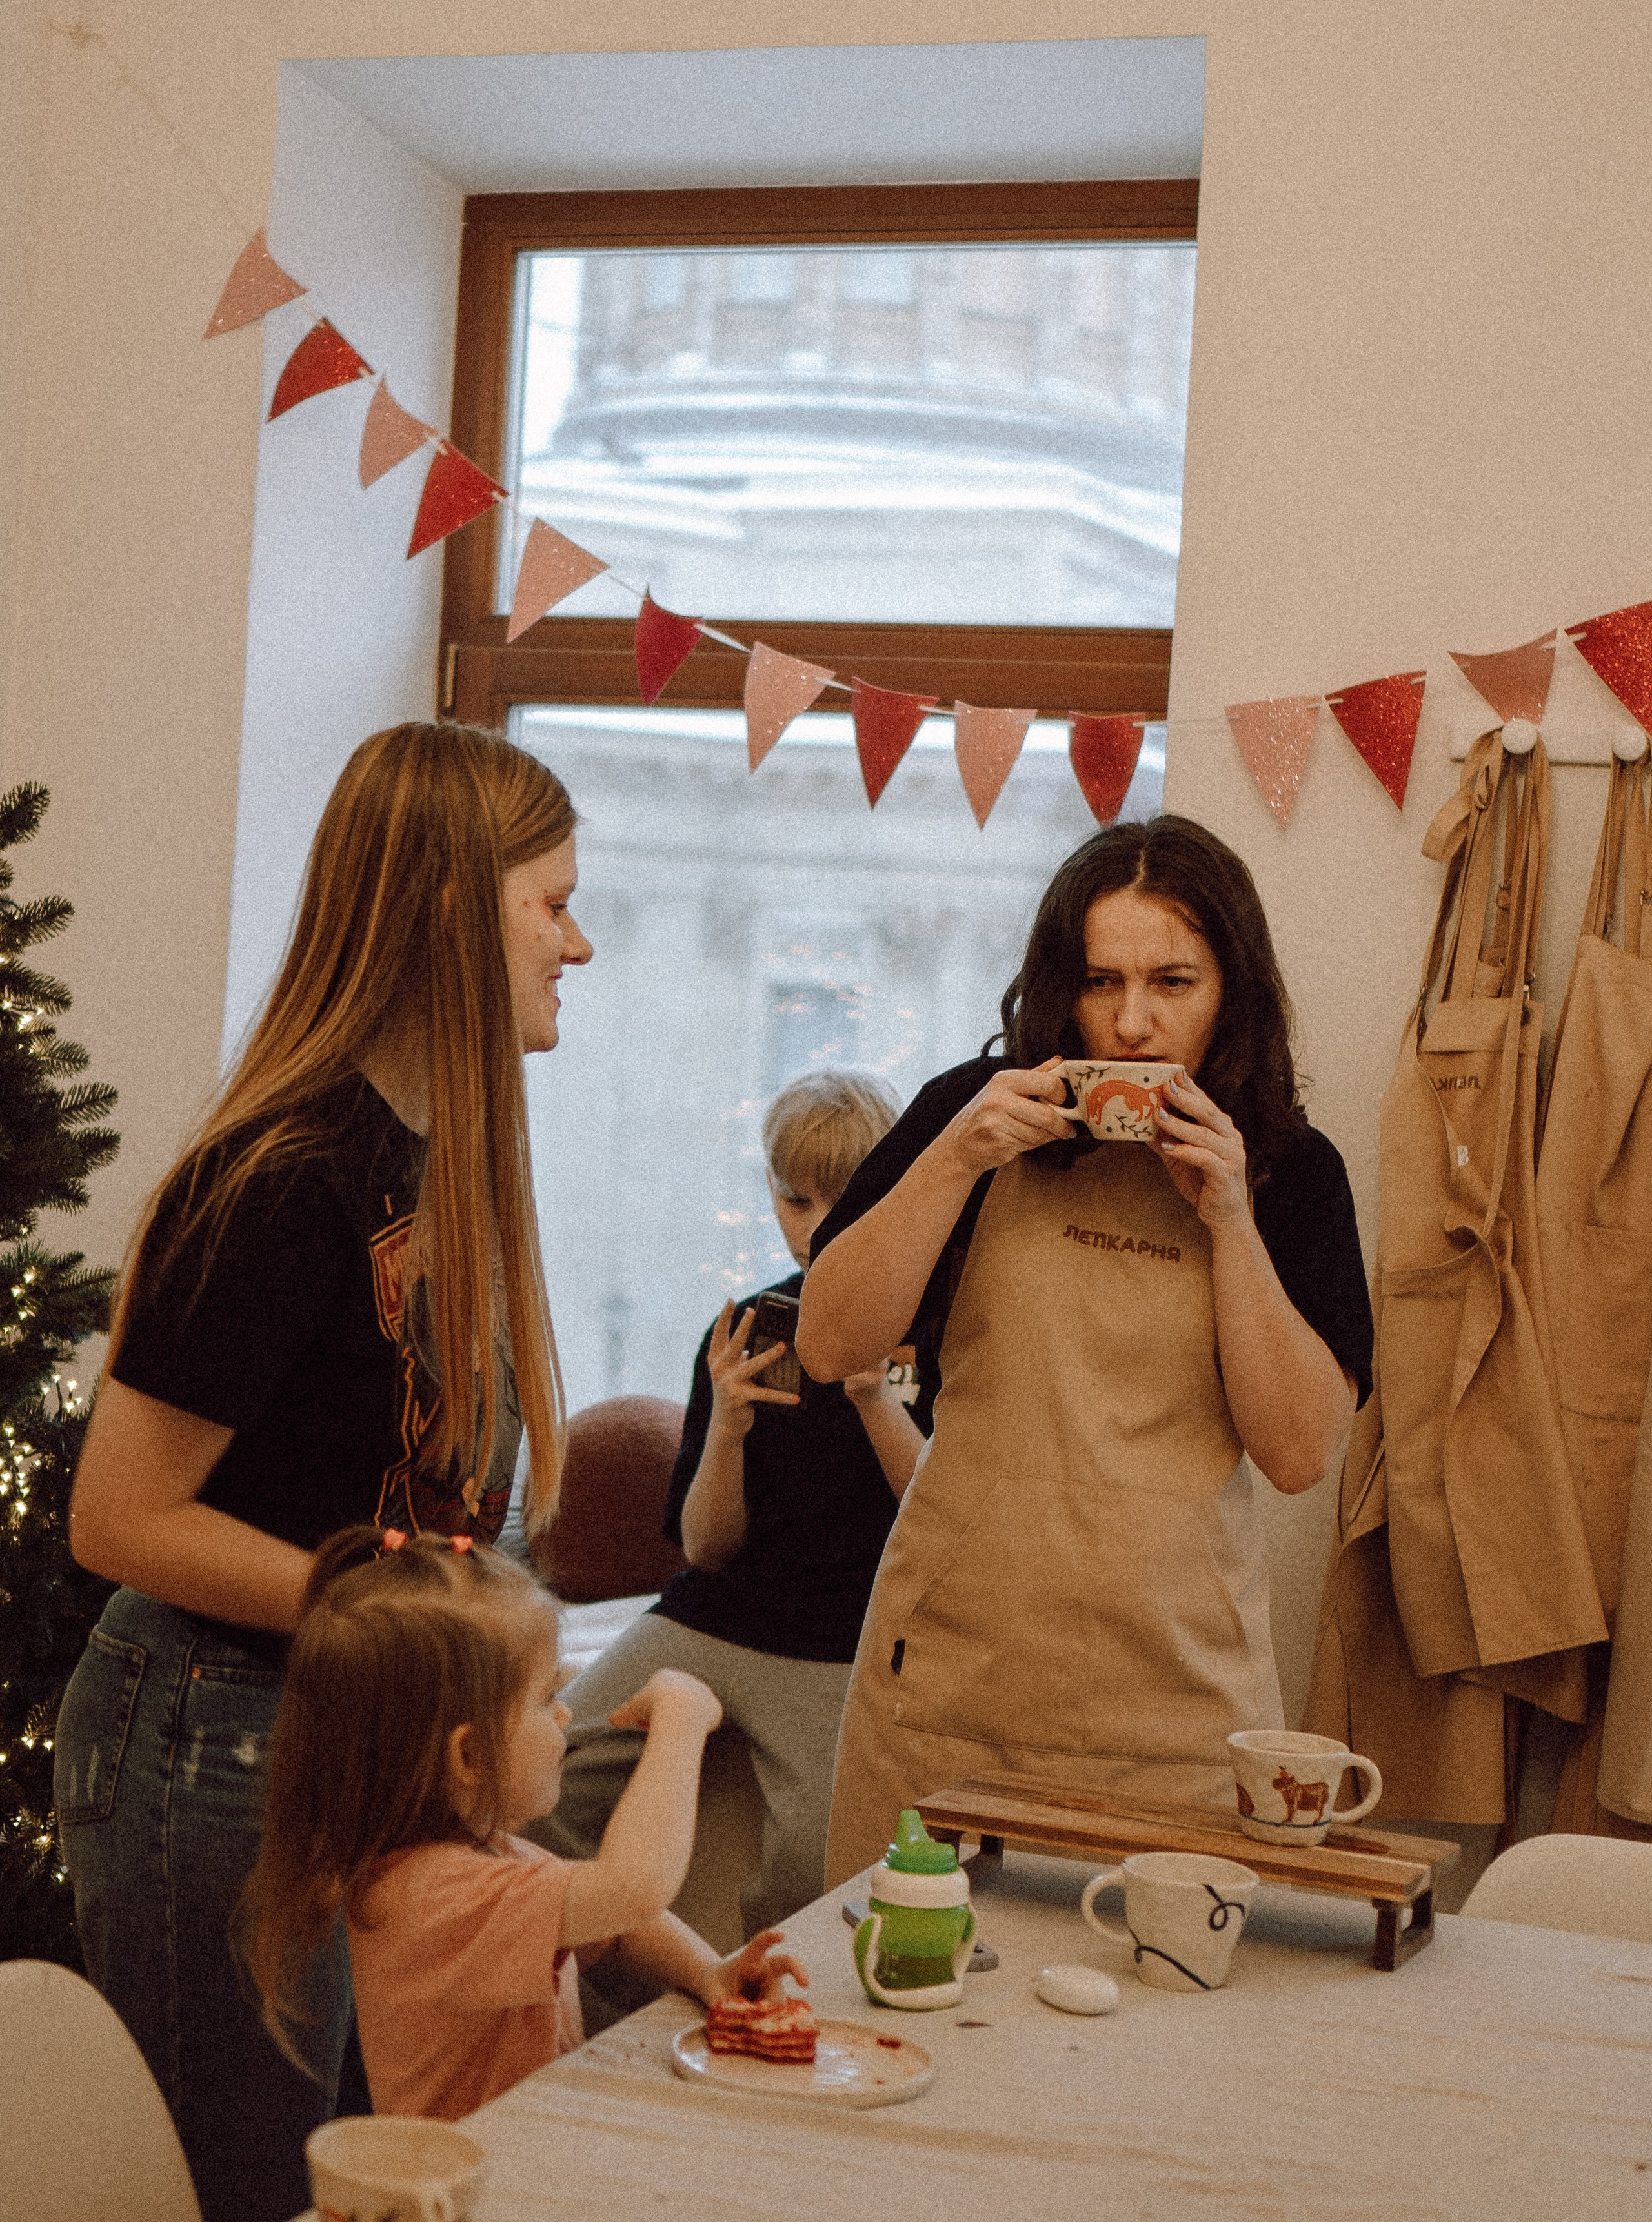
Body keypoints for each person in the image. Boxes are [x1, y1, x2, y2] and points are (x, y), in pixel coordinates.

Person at [54, 722, 590, 2222]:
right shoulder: (283, 1174)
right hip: (210, 1744)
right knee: (257, 2188)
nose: (580, 939)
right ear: (443, 912)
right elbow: (121, 1516)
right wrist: (405, 1620)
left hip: (337, 1739)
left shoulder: (430, 1153)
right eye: (548, 900)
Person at [797, 816, 1375, 1884]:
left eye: (1173, 983)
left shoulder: (1292, 1172)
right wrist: (956, 1157)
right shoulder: (964, 1119)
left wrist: (1231, 1220)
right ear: (1058, 990)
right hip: (949, 1688)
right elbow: (831, 1341)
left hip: (1178, 1704)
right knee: (904, 1992)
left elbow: (1299, 1454)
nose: (1132, 1025)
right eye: (1101, 983)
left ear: (1232, 995)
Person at [541, 1070, 927, 1947]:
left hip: (844, 1639)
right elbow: (707, 1551)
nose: (816, 1224)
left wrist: (874, 1398)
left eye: (845, 1196)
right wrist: (725, 1426)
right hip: (718, 1615)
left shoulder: (931, 1326)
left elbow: (937, 1524)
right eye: (795, 1198)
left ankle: (755, 2016)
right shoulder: (752, 1325)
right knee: (546, 1788)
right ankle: (606, 2016)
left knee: (819, 1873)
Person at [239, 1526, 807, 2121]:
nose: (564, 1713)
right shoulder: (436, 1897)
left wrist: (707, 1973)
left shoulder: (484, 1857)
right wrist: (682, 1719)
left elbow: (617, 1923)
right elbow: (633, 1886)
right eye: (546, 1698)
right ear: (470, 1757)